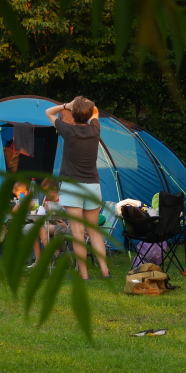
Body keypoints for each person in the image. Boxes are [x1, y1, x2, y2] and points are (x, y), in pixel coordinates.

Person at [45, 97, 111, 279]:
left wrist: (67, 105)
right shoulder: (95, 129)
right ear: (89, 114)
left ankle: (84, 274)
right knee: (94, 232)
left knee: (77, 232)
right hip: (92, 186)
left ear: (72, 114)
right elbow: (95, 110)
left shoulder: (67, 130)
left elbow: (48, 112)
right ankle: (105, 271)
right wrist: (85, 104)